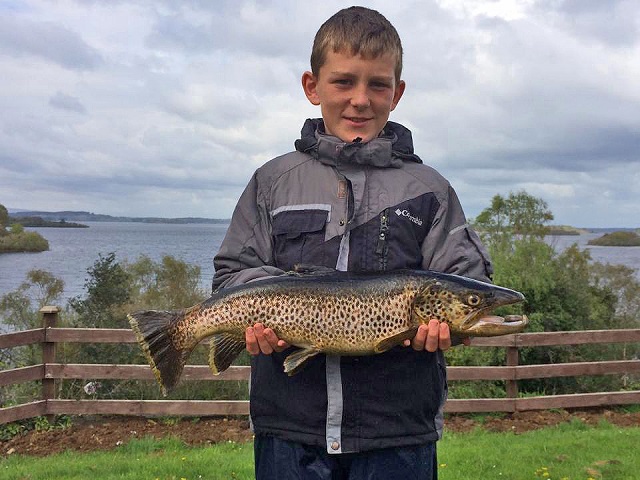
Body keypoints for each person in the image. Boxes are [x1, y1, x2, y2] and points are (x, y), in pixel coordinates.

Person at [212, 6, 492, 479]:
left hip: (397, 434)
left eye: (378, 84)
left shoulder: (431, 190)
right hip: (289, 429)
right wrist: (259, 313)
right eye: (344, 82)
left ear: (397, 93)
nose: (360, 99)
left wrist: (455, 326)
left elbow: (465, 282)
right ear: (312, 86)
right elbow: (233, 273)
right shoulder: (272, 181)